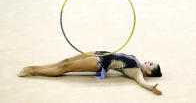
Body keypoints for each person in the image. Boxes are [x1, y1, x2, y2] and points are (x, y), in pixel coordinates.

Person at [18, 51, 162, 95]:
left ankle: (33, 71)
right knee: (66, 60)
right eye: (151, 61)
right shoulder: (136, 59)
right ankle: (34, 67)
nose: (149, 62)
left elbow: (141, 82)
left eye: (151, 65)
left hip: (100, 62)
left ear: (149, 72)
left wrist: (151, 88)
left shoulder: (137, 72)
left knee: (66, 67)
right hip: (99, 53)